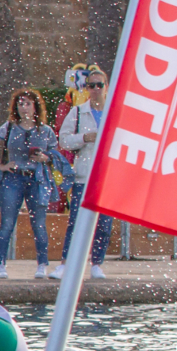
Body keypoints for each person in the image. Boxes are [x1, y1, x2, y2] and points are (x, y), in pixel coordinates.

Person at [0, 88, 59, 280]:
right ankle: (0, 264)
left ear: (35, 106)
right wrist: (0, 165)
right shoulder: (9, 127)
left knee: (39, 224)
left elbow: (55, 154)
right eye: (20, 104)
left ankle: (42, 264)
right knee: (7, 222)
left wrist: (45, 157)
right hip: (14, 176)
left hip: (36, 178)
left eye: (28, 103)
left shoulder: (45, 130)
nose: (24, 108)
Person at [54, 64, 111, 280]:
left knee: (104, 224)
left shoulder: (114, 111)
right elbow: (64, 140)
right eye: (91, 85)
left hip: (105, 177)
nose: (95, 89)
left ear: (106, 87)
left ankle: (97, 263)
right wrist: (84, 138)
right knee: (76, 221)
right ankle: (65, 263)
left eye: (99, 85)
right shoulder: (77, 111)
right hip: (84, 174)